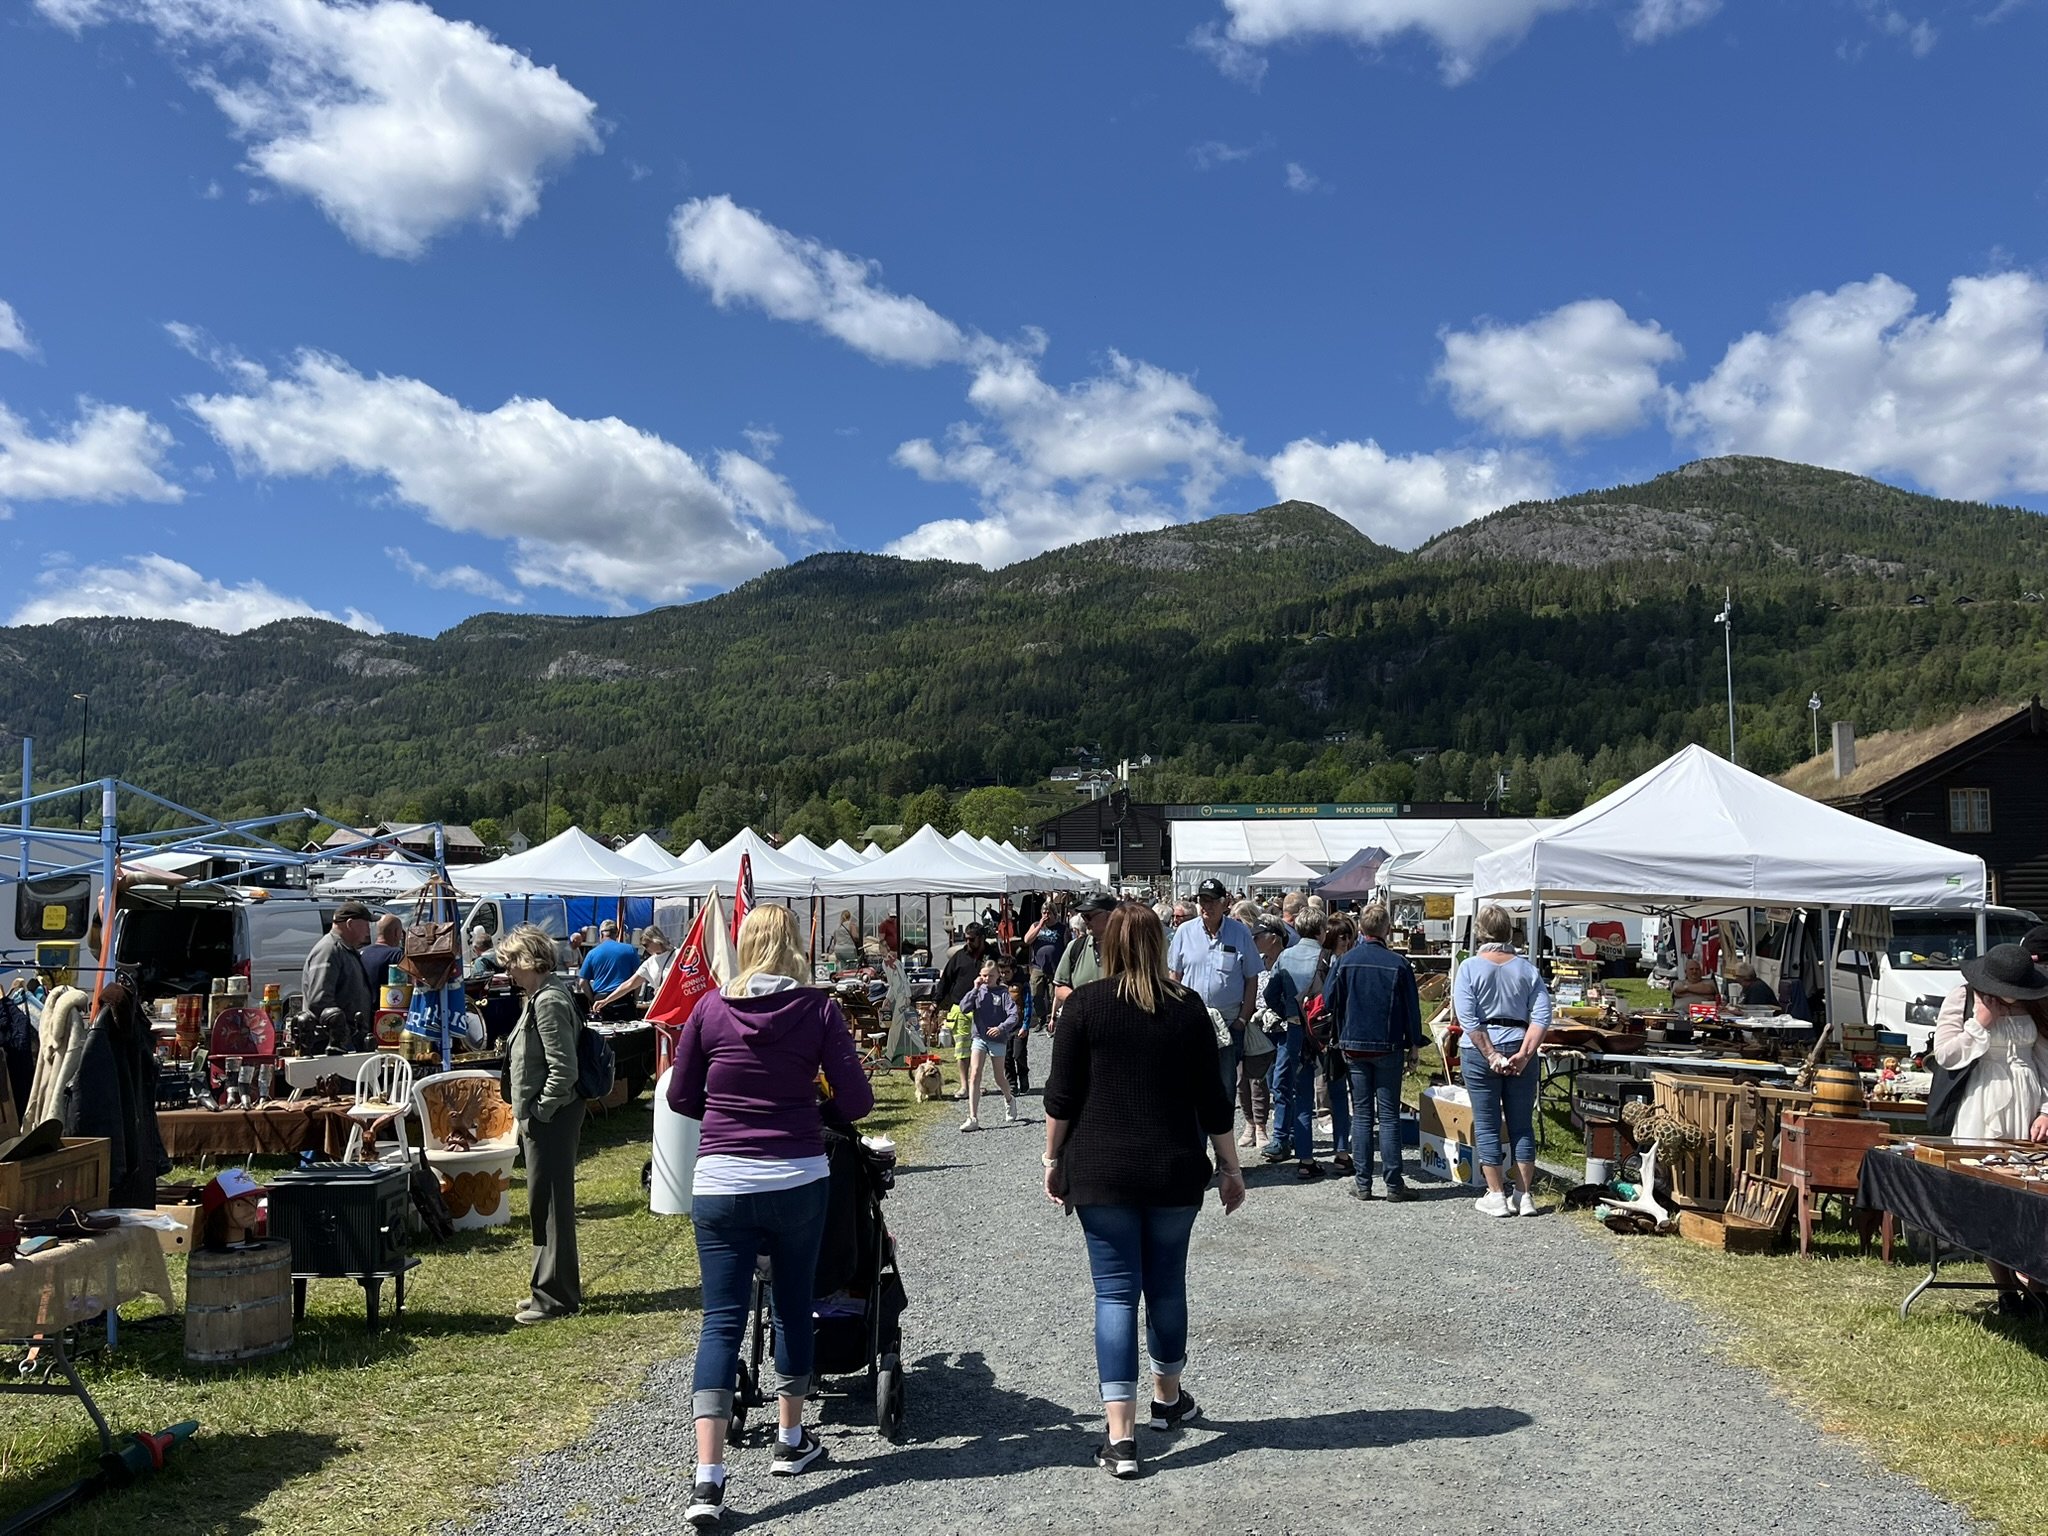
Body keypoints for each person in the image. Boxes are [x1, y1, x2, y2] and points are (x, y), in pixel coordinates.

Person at [669, 905, 874, 1527]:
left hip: (722, 1179)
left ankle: (708, 1478)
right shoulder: (817, 1009)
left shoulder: (709, 1010)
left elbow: (681, 1095)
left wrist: (730, 1106)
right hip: (796, 1176)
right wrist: (809, 1105)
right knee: (792, 1304)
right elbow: (857, 1101)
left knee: (720, 1320)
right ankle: (790, 1438)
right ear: (794, 949)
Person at [1042, 903, 1244, 1481]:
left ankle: (1121, 1438)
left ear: (1107, 946)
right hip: (1174, 1170)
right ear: (1161, 946)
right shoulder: (1189, 1008)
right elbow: (1213, 1099)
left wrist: (1052, 1160)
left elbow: (1061, 1096)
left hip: (1101, 1171)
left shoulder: (1084, 1006)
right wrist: (1231, 1168)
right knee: (1166, 1285)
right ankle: (1168, 1398)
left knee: (1114, 1296)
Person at [1931, 943, 2048, 1315]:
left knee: (2032, 1196)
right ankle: (2006, 1289)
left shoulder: (2035, 1003)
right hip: (1983, 1103)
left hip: (2028, 1103)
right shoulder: (1964, 999)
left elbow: (2045, 1060)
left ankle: (2037, 1289)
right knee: (1988, 1198)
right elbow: (1946, 1055)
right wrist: (1980, 1022)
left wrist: (2046, 1110)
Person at [501, 923, 584, 1322]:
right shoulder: (541, 996)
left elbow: (563, 1069)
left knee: (550, 1206)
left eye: (511, 962)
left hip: (552, 1118)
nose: (508, 971)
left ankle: (555, 1296)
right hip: (547, 1116)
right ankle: (548, 1285)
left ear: (529, 960)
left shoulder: (548, 1001)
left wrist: (540, 1111)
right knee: (543, 1204)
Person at [1454, 903, 1554, 1219]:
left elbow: (1468, 1019)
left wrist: (1492, 1055)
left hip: (1480, 1051)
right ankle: (1524, 1195)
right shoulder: (1527, 969)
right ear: (1510, 932)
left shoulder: (1469, 968)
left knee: (1487, 1124)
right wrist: (1524, 1054)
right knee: (1522, 1124)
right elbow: (1542, 1015)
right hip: (1519, 1043)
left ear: (1479, 932)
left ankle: (1496, 1195)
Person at [1323, 902, 1422, 1202]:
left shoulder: (1345, 961)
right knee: (1389, 1115)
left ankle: (1363, 1183)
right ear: (1387, 930)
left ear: (1360, 929)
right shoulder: (1399, 964)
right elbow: (1412, 1009)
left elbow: (1328, 1001)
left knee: (1362, 1114)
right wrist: (1414, 1044)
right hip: (1388, 1045)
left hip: (1353, 1045)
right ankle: (1393, 1184)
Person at [1168, 878, 1258, 1108]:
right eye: (1203, 901)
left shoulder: (1240, 933)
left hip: (1228, 1022)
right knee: (1190, 1086)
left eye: (1212, 901)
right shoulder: (1184, 931)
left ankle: (1223, 1131)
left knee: (1225, 1089)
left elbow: (1252, 978)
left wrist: (1242, 1019)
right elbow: (1174, 976)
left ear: (1224, 903)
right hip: (1193, 1021)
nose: (1206, 906)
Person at [1261, 910, 1327, 1179]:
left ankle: (1300, 1153)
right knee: (1326, 1091)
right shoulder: (1326, 957)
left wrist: (1287, 1010)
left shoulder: (1286, 956)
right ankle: (1329, 1155)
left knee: (1294, 1089)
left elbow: (1269, 993)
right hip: (1320, 1030)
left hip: (1294, 1028)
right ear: (1321, 930)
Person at [958, 959, 1021, 1131]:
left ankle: (1009, 1099)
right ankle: (973, 1117)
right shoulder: (977, 991)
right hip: (979, 1038)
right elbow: (963, 1008)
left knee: (999, 1077)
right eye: (984, 975)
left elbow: (1013, 1016)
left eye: (990, 976)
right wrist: (975, 989)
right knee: (974, 1074)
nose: (987, 979)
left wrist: (1001, 1028)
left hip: (997, 1039)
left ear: (998, 975)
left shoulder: (1003, 993)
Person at [304, 900, 377, 1046]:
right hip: (331, 1043)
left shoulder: (345, 949)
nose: (368, 930)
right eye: (366, 924)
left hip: (348, 1040)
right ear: (350, 924)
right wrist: (342, 1033)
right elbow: (320, 1000)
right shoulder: (329, 950)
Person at [1054, 896, 1115, 1018]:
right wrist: (1082, 999)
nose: (1085, 921)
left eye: (1088, 916)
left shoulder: (1127, 949)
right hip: (1082, 1021)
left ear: (1109, 916)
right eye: (1083, 916)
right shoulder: (1075, 947)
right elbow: (1059, 988)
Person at [597, 928, 673, 1017]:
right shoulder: (649, 963)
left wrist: (667, 989)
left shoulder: (679, 955)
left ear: (655, 940)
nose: (645, 948)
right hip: (662, 1009)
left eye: (645, 945)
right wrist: (606, 1000)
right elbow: (629, 984)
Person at [580, 920, 643, 1021]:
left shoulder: (592, 953)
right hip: (624, 999)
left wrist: (593, 1000)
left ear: (601, 934)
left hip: (601, 1001)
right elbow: (638, 977)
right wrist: (635, 999)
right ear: (616, 934)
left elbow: (583, 982)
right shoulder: (630, 950)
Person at [358, 913, 404, 994]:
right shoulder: (397, 954)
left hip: (365, 1001)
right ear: (396, 933)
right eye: (401, 933)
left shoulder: (363, 953)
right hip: (388, 1001)